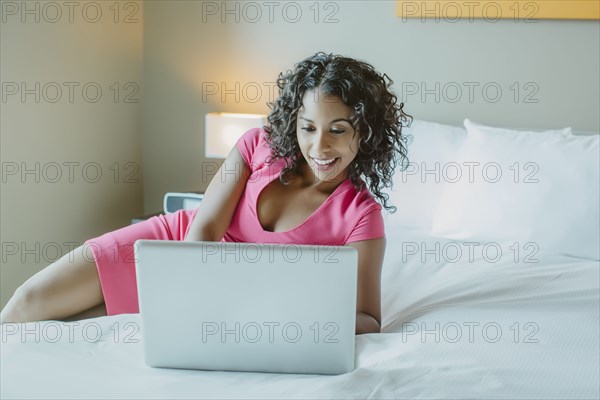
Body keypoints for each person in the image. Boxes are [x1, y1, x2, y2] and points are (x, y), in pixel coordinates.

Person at [0, 52, 411, 334]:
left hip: (239, 304)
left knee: (77, 325)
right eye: (308, 127)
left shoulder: (360, 214)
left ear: (366, 131)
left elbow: (367, 319)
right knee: (27, 304)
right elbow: (203, 230)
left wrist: (288, 307)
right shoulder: (257, 145)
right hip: (174, 249)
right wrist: (186, 291)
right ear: (295, 123)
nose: (319, 147)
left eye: (337, 130)